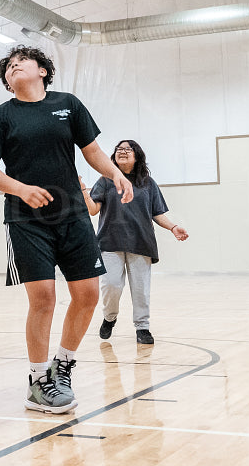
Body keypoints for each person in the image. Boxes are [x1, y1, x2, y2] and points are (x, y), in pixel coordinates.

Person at [0, 45, 132, 414]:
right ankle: (38, 380)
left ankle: (64, 365)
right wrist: (21, 189)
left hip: (73, 215)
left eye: (21, 62)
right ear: (8, 84)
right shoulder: (1, 116)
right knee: (43, 297)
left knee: (88, 295)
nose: (14, 67)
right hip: (26, 220)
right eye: (8, 68)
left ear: (43, 71)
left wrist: (115, 174)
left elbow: (91, 151)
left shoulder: (68, 105)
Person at [81, 139, 189, 347]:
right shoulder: (105, 180)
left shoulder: (148, 183)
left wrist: (173, 227)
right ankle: (109, 318)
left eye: (127, 149)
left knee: (141, 289)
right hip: (109, 242)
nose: (122, 152)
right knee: (111, 285)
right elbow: (92, 210)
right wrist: (84, 191)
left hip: (141, 243)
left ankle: (142, 327)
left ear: (137, 155)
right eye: (118, 149)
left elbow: (157, 214)